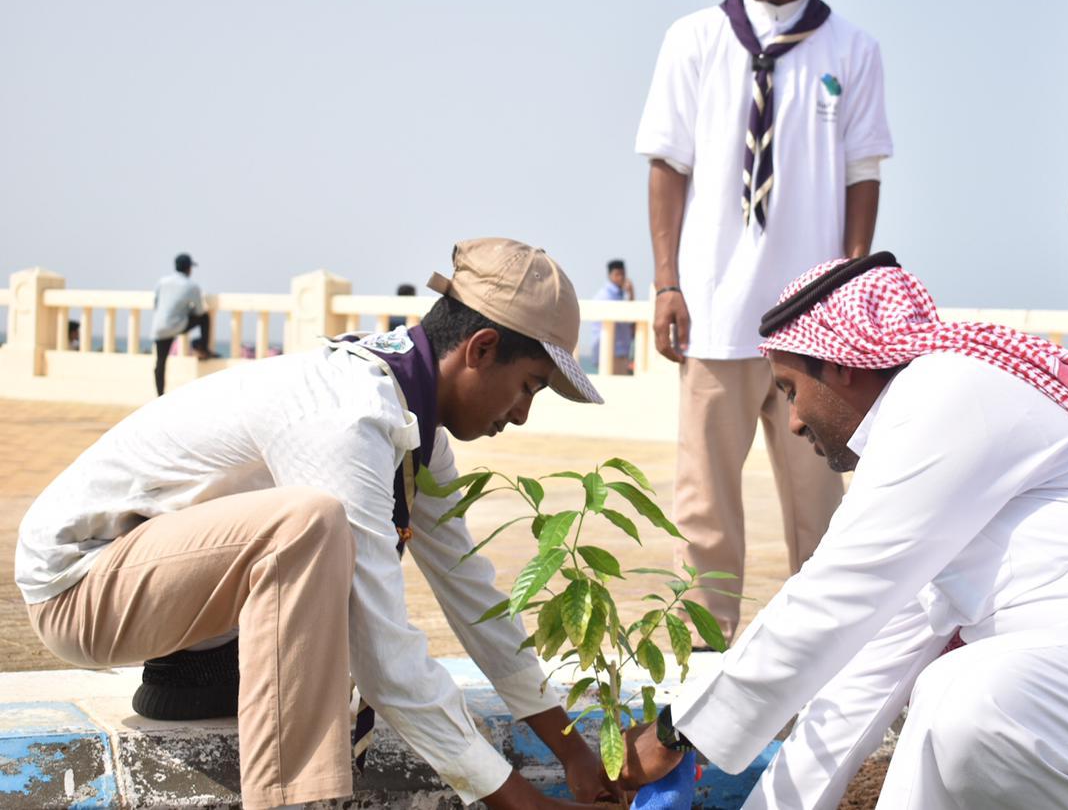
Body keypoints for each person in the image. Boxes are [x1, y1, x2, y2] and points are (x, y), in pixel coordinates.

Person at [620, 253, 1068, 809]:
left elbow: (824, 600)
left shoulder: (944, 396)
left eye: (791, 390)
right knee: (948, 721)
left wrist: (676, 731)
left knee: (968, 701)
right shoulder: (947, 461)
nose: (792, 422)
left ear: (844, 365)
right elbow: (858, 684)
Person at [16, 238, 620, 810]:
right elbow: (383, 652)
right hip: (83, 587)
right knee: (310, 527)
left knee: (324, 566)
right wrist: (518, 799)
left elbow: (474, 594)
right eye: (529, 387)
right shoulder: (349, 415)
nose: (521, 415)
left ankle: (196, 673)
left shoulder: (413, 425)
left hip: (175, 605)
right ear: (482, 348)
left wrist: (573, 751)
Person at [634, 0, 892, 644]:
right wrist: (667, 282)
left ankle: (815, 658)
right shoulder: (693, 40)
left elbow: (862, 173)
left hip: (813, 329)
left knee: (821, 513)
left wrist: (849, 287)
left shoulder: (851, 48)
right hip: (716, 315)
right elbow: (668, 166)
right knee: (704, 511)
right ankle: (702, 663)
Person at [151, 252, 216, 396]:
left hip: (159, 328)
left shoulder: (162, 281)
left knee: (160, 363)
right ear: (188, 269)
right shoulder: (192, 286)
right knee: (204, 318)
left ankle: (159, 395)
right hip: (177, 325)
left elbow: (156, 303)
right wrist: (187, 309)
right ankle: (202, 348)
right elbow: (199, 311)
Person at [590, 259, 635, 375]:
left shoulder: (618, 294)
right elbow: (626, 318)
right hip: (610, 352)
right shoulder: (606, 296)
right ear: (610, 276)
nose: (621, 278)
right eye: (617, 274)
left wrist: (631, 294)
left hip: (618, 352)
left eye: (623, 274)